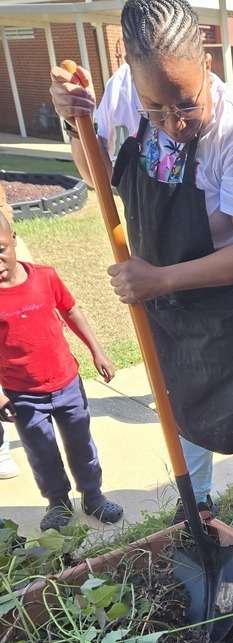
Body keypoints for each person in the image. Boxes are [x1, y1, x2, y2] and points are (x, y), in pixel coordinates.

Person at [50, 0, 233, 545]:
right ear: (129, 73)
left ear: (206, 64)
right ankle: (202, 505)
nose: (172, 121)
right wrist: (77, 125)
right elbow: (96, 178)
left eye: (186, 102)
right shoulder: (124, 92)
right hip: (165, 302)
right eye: (155, 107)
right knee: (180, 400)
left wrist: (160, 278)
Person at [0, 212, 123, 531]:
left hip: (67, 382)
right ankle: (58, 503)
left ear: (13, 240)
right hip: (22, 394)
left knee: (81, 442)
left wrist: (97, 350)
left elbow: (70, 310)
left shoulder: (45, 277)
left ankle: (93, 496)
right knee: (41, 451)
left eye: (0, 249)